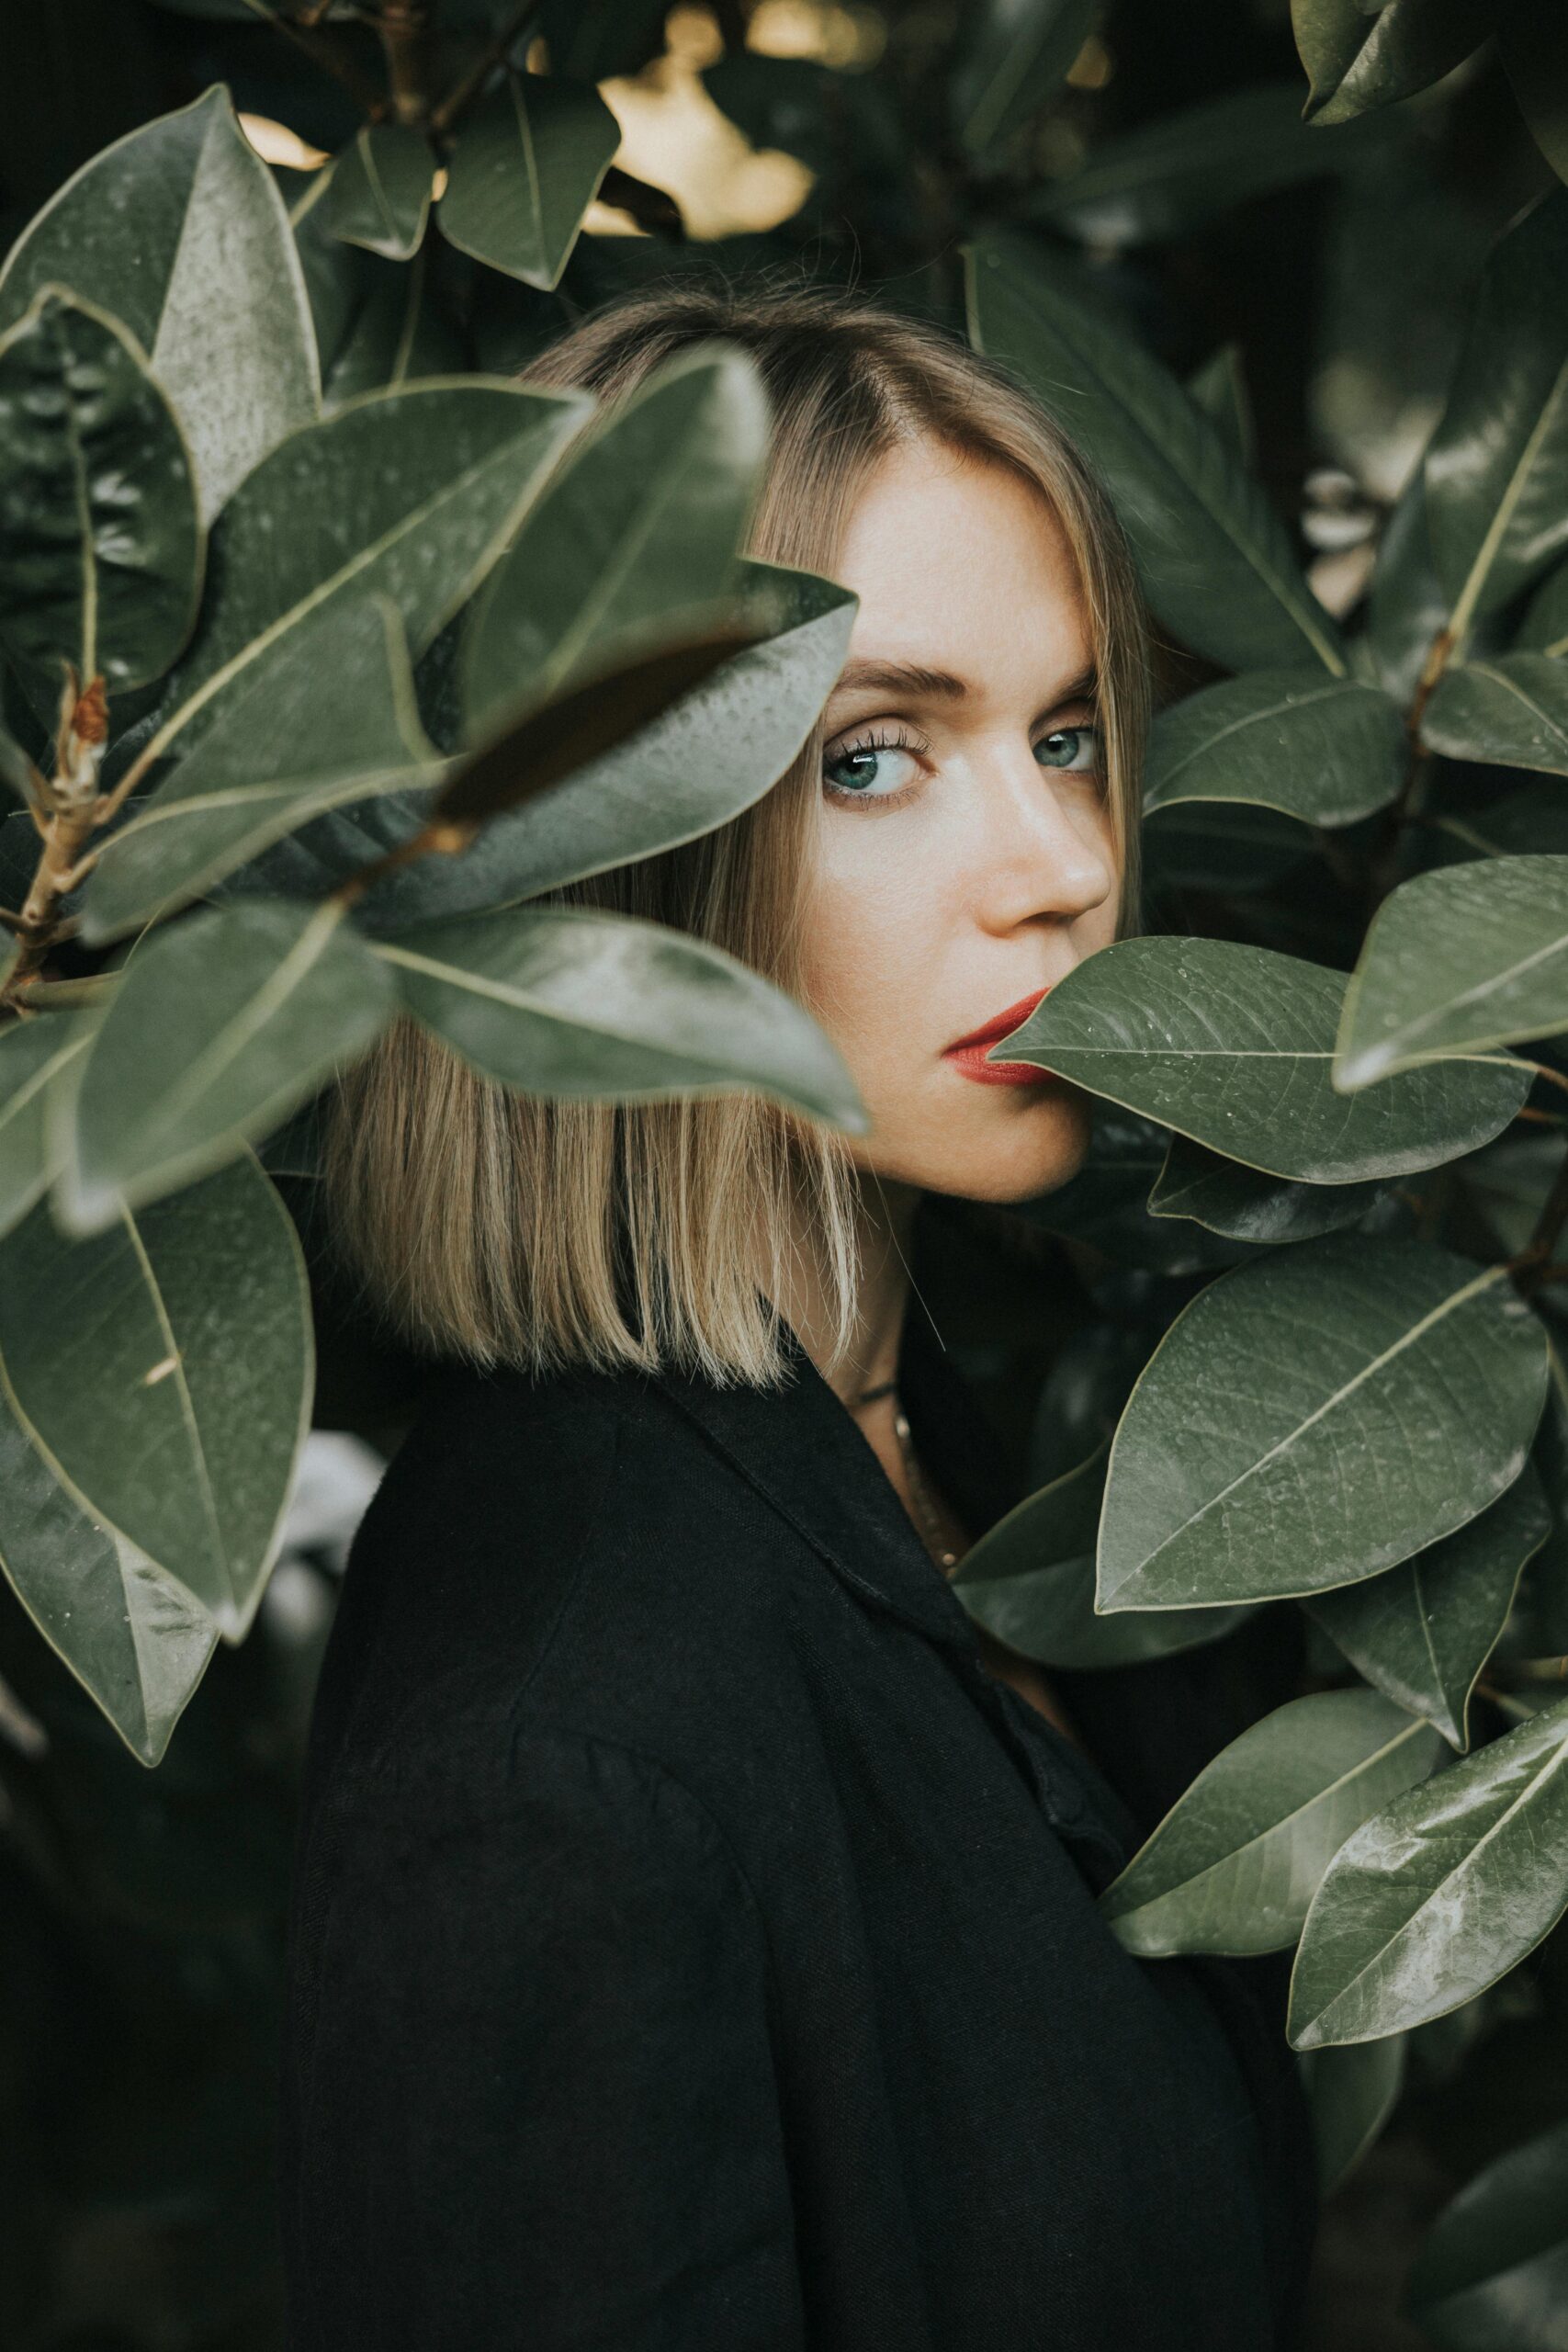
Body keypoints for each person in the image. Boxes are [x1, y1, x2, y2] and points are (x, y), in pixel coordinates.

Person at [280, 280, 1319, 2350]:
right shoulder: (553, 1740)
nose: (1057, 866)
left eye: (1063, 735)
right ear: (604, 864)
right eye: (869, 756)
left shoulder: (947, 1447)